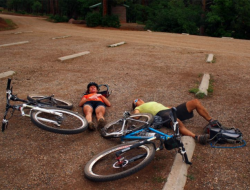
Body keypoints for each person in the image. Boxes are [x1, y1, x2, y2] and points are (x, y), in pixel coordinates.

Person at [132, 98, 215, 144]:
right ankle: (197, 137)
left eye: (139, 98)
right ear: (135, 105)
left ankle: (212, 121)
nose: (138, 99)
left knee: (195, 102)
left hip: (170, 110)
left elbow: (165, 107)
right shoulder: (138, 108)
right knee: (177, 122)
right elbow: (136, 117)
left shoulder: (150, 102)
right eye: (136, 100)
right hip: (162, 114)